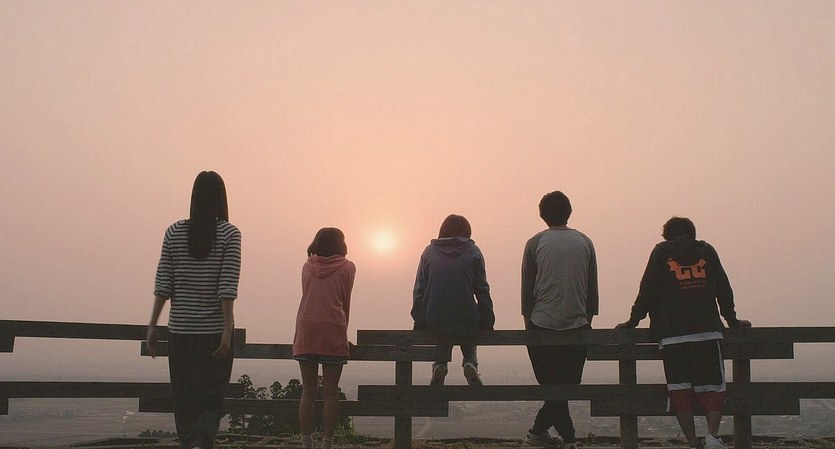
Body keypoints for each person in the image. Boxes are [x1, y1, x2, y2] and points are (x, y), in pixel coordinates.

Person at [616, 217, 750, 449]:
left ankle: (692, 442)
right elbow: (723, 288)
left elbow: (647, 290)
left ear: (667, 235)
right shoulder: (707, 251)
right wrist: (732, 320)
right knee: (713, 387)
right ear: (692, 233)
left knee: (680, 390)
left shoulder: (660, 253)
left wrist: (632, 321)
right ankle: (712, 435)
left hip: (672, 335)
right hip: (707, 332)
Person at [147, 171, 241, 449]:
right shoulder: (230, 234)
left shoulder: (174, 232)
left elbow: (164, 283)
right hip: (213, 332)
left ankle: (189, 442)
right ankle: (204, 441)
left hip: (180, 331)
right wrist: (227, 330)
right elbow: (227, 286)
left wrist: (152, 325)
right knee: (212, 396)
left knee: (184, 396)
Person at [521, 191, 598, 449]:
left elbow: (527, 291)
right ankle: (563, 438)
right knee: (565, 386)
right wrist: (586, 321)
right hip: (577, 325)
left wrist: (529, 328)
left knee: (553, 388)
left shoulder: (535, 243)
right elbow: (592, 291)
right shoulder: (585, 242)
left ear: (542, 215)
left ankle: (544, 436)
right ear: (569, 212)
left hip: (541, 325)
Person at [412, 214, 495, 386]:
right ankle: (470, 362)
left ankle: (439, 364)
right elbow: (482, 290)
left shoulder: (429, 252)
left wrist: (419, 319)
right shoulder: (473, 252)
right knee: (468, 324)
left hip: (435, 318)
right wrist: (488, 319)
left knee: (441, 328)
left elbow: (420, 290)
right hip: (466, 318)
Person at [293, 228, 356, 449]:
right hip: (333, 330)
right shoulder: (348, 267)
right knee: (330, 393)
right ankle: (327, 443)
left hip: (306, 329)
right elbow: (345, 303)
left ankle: (306, 443)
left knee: (308, 392)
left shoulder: (307, 266)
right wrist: (343, 334)